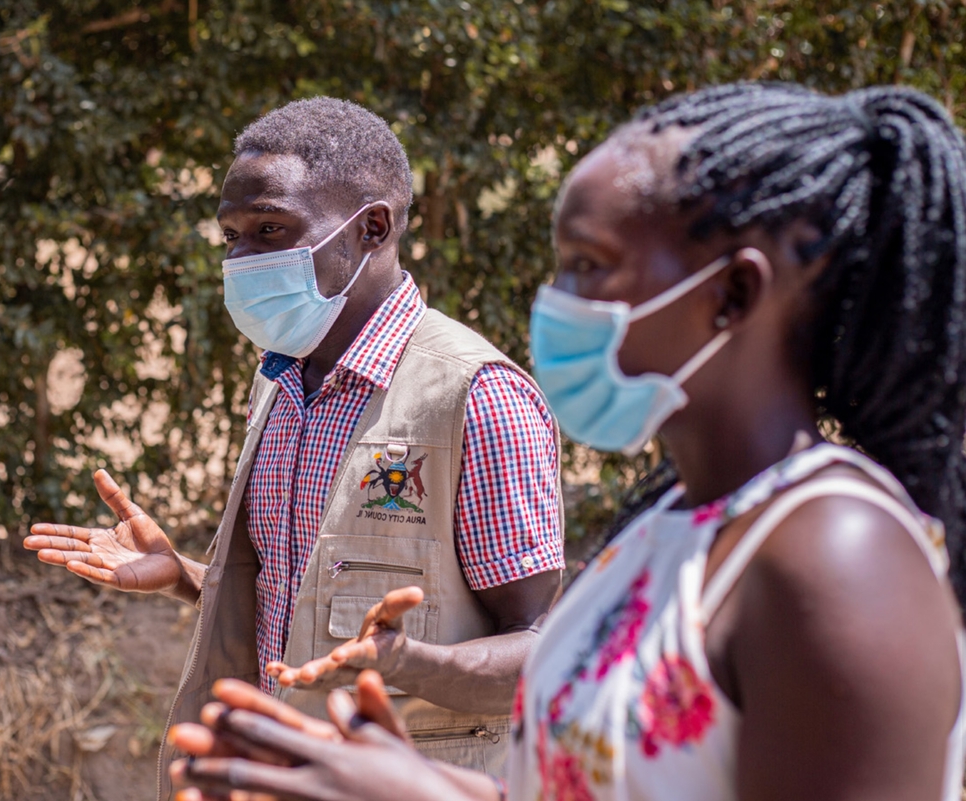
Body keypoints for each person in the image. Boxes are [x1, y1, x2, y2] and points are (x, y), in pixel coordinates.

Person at [169, 82, 966, 801]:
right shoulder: (662, 535)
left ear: (732, 294)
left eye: (589, 267)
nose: (557, 303)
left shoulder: (838, 559)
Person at [22, 96, 565, 794]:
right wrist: (190, 575)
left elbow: (548, 653)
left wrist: (405, 662)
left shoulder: (475, 396)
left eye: (270, 229)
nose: (242, 258)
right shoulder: (280, 382)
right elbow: (303, 603)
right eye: (231, 236)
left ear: (372, 227)